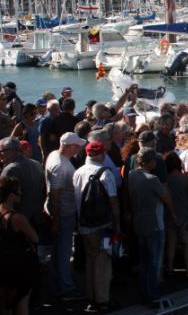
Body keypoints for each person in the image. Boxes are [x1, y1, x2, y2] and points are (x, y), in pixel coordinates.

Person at [73, 141, 121, 312]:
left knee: (90, 261)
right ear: (100, 155)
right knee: (103, 262)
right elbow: (113, 201)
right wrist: (117, 225)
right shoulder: (105, 173)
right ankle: (102, 300)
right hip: (102, 225)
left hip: (84, 224)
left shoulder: (78, 172)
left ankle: (91, 297)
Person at [128, 149, 177, 306]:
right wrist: (174, 214)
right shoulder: (152, 179)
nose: (156, 162)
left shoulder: (131, 175)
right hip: (154, 224)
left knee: (144, 261)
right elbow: (166, 197)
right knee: (153, 262)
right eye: (154, 160)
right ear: (149, 162)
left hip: (139, 222)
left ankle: (144, 292)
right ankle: (152, 295)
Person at [45, 132, 86, 299]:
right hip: (64, 213)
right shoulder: (60, 165)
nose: (79, 149)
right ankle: (66, 288)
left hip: (60, 212)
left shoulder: (54, 155)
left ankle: (57, 284)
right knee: (63, 252)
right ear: (69, 147)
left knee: (57, 251)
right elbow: (55, 194)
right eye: (77, 146)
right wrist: (57, 219)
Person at [0, 176, 40, 315]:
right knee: (22, 299)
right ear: (11, 195)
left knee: (5, 301)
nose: (21, 193)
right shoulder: (17, 218)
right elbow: (35, 238)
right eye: (19, 191)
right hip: (19, 264)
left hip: (2, 261)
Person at [0, 138, 46, 233]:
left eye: (1, 151)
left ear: (12, 150)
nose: (0, 154)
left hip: (17, 221)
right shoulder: (37, 164)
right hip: (36, 217)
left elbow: (5, 198)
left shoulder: (10, 169)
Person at [164, 153, 188, 277]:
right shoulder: (185, 178)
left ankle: (170, 269)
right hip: (184, 212)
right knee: (187, 242)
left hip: (170, 213)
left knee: (171, 242)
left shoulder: (165, 179)